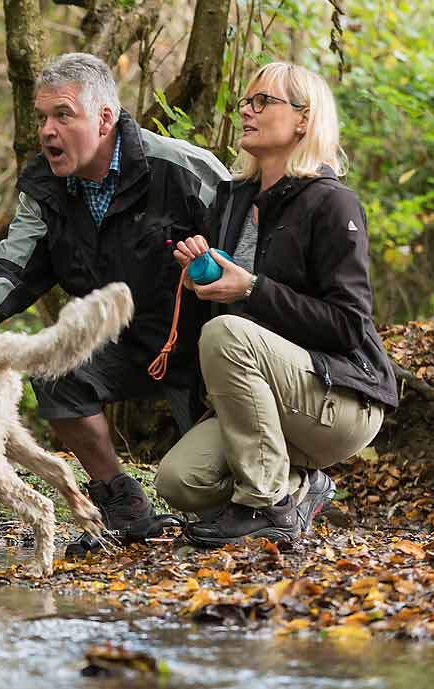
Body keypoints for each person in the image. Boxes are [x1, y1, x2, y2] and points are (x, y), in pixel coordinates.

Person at [0, 52, 229, 556]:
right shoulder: (45, 189)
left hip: (209, 351)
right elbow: (8, 274)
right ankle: (122, 505)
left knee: (214, 503)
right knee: (55, 368)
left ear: (104, 119)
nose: (47, 130)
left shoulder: (185, 171)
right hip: (121, 349)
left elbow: (249, 264)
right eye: (41, 118)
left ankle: (291, 495)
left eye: (62, 115)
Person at [155, 62, 398, 547]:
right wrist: (198, 274)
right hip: (264, 399)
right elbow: (224, 310)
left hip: (341, 400)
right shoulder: (232, 201)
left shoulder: (332, 203)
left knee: (227, 335)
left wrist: (250, 289)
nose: (246, 110)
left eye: (262, 101)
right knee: (178, 481)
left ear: (304, 120)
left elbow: (348, 326)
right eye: (245, 101)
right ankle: (298, 490)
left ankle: (266, 505)